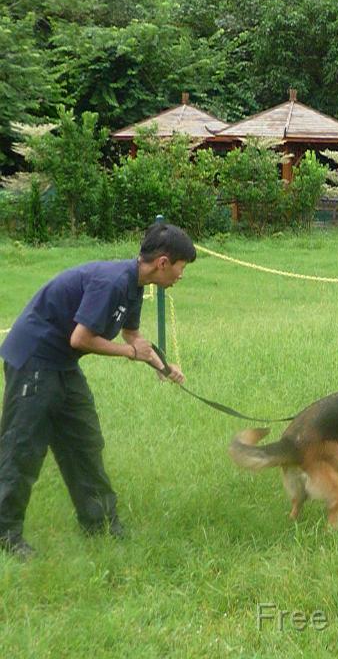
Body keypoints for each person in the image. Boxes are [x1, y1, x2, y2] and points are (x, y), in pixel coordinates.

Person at [0, 222, 194, 560]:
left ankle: (101, 523)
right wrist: (130, 355)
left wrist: (163, 367)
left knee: (84, 441)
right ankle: (6, 535)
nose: (181, 275)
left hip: (62, 364)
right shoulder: (112, 282)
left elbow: (133, 336)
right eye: (181, 267)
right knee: (23, 446)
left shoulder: (135, 285)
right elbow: (82, 338)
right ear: (163, 262)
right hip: (34, 358)